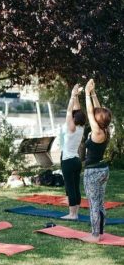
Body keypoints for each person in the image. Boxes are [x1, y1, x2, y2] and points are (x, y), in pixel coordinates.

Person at [82, 79, 112, 242]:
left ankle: (95, 235)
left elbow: (90, 112)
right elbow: (98, 111)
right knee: (100, 203)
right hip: (103, 170)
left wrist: (87, 94)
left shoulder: (97, 132)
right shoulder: (105, 129)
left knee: (94, 204)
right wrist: (93, 93)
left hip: (93, 171)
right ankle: (100, 232)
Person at [60, 84, 86, 219]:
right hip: (76, 161)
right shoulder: (81, 128)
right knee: (76, 187)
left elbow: (70, 111)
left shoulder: (72, 128)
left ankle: (72, 214)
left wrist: (72, 96)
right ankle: (76, 212)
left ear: (75, 119)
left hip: (68, 162)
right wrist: (76, 96)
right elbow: (77, 110)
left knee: (70, 187)